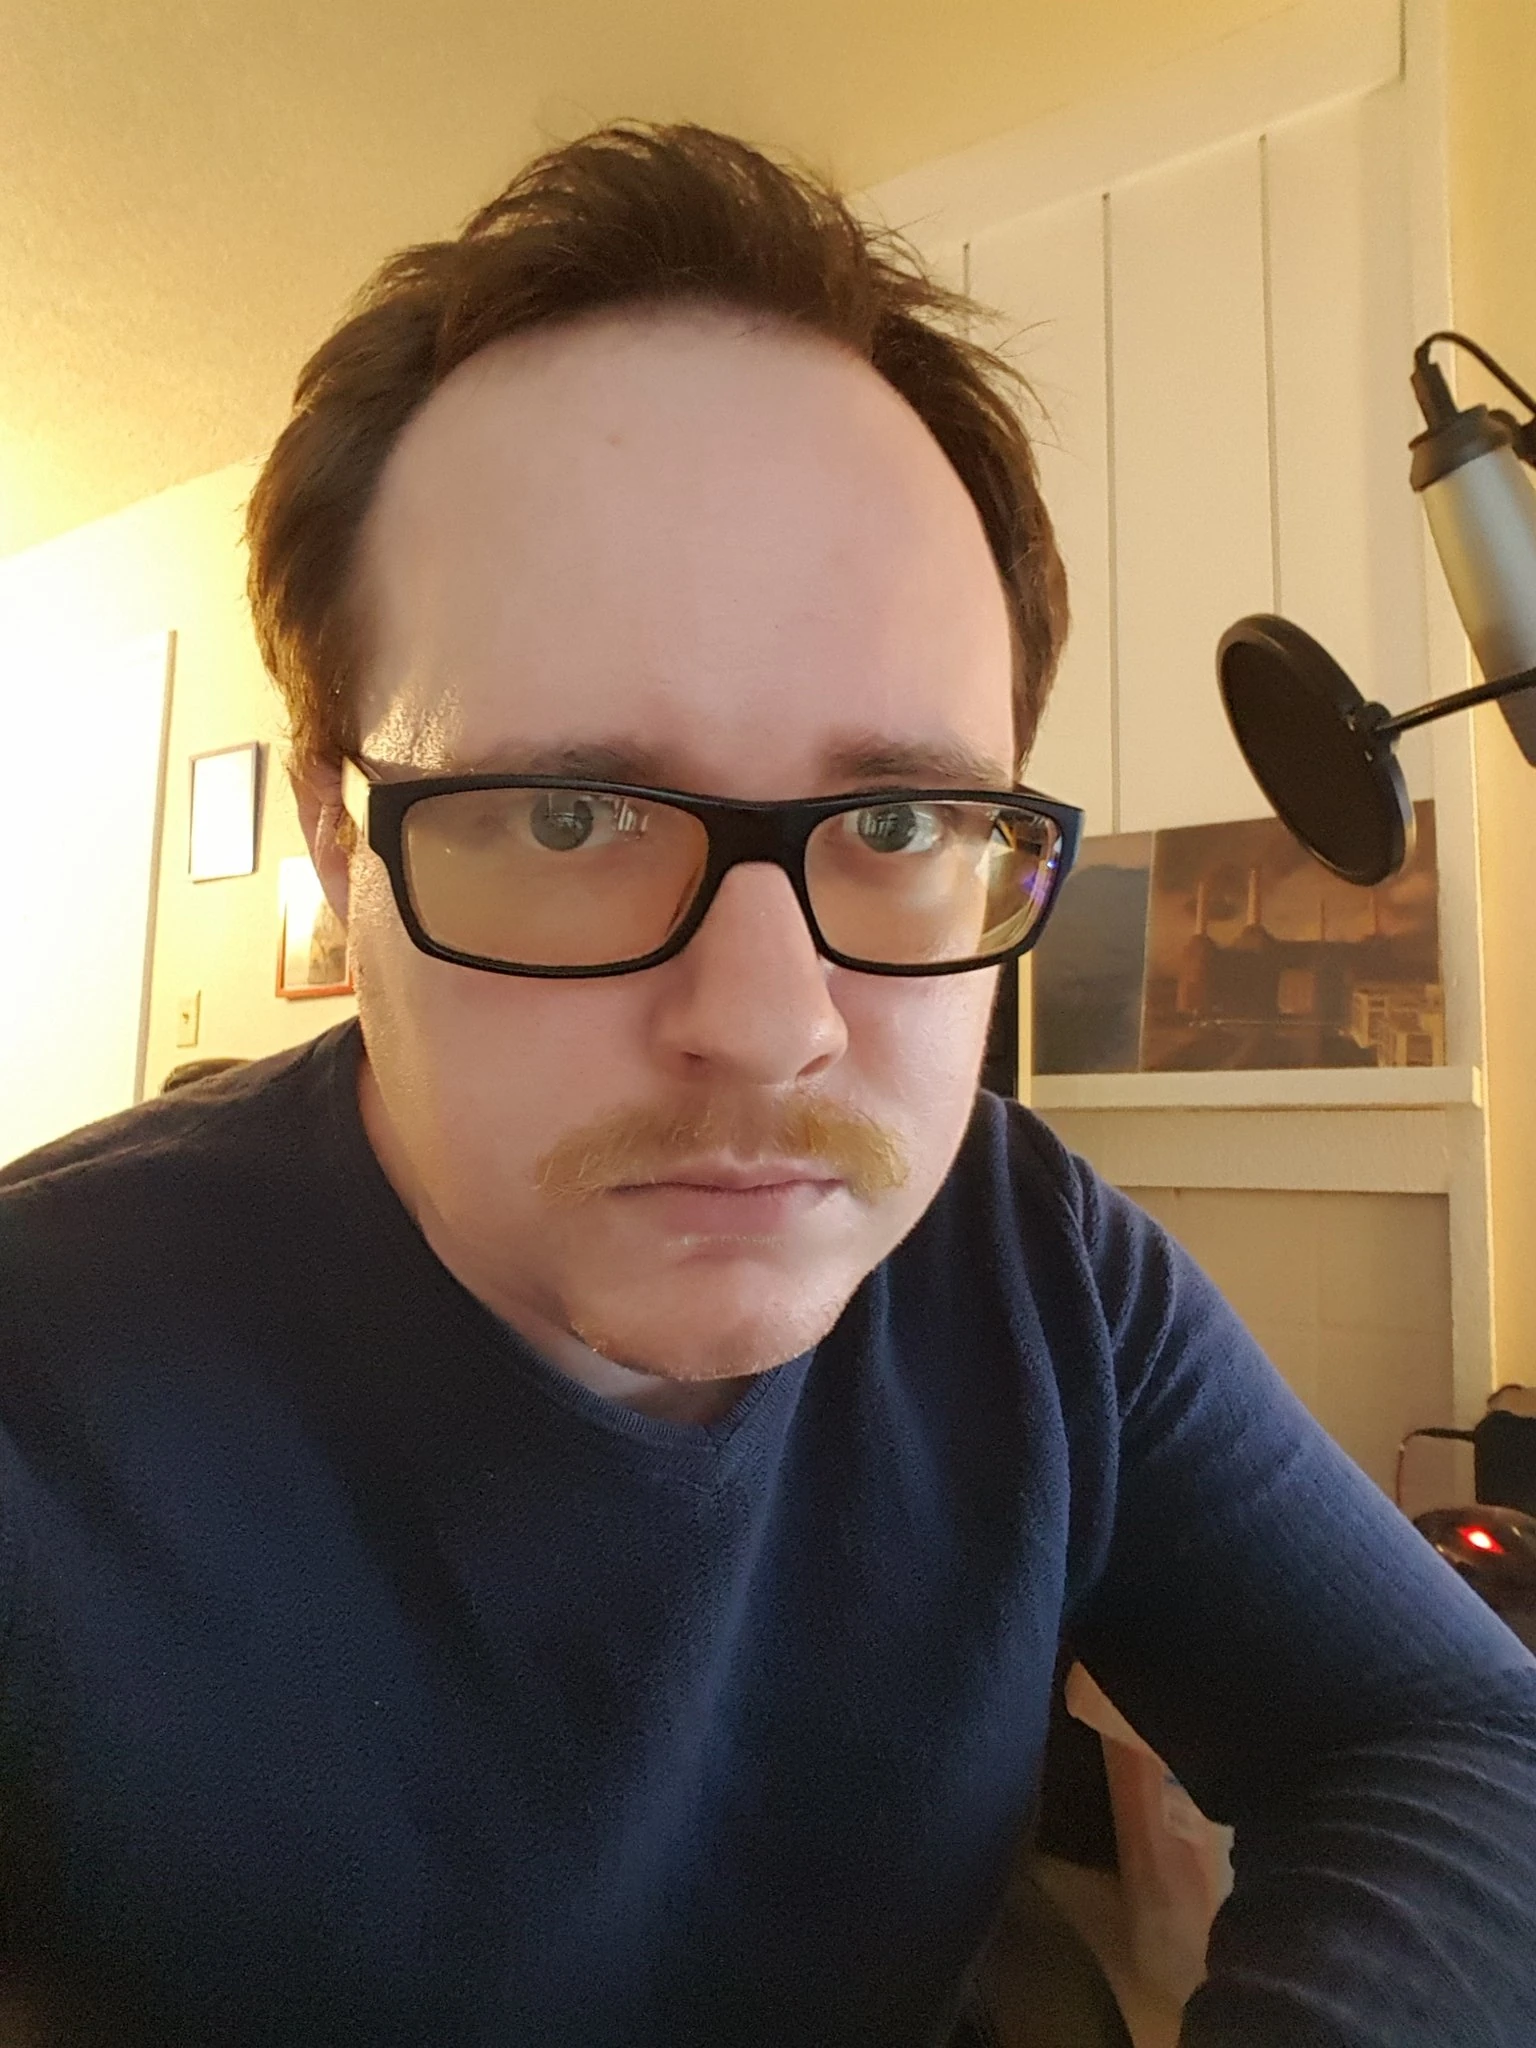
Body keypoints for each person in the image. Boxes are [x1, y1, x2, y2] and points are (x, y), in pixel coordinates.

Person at [0, 123, 1532, 2048]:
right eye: (571, 814)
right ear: (337, 838)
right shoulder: (43, 1367)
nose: (766, 1022)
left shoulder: (1032, 1258)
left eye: (896, 821)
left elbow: (1454, 1732)